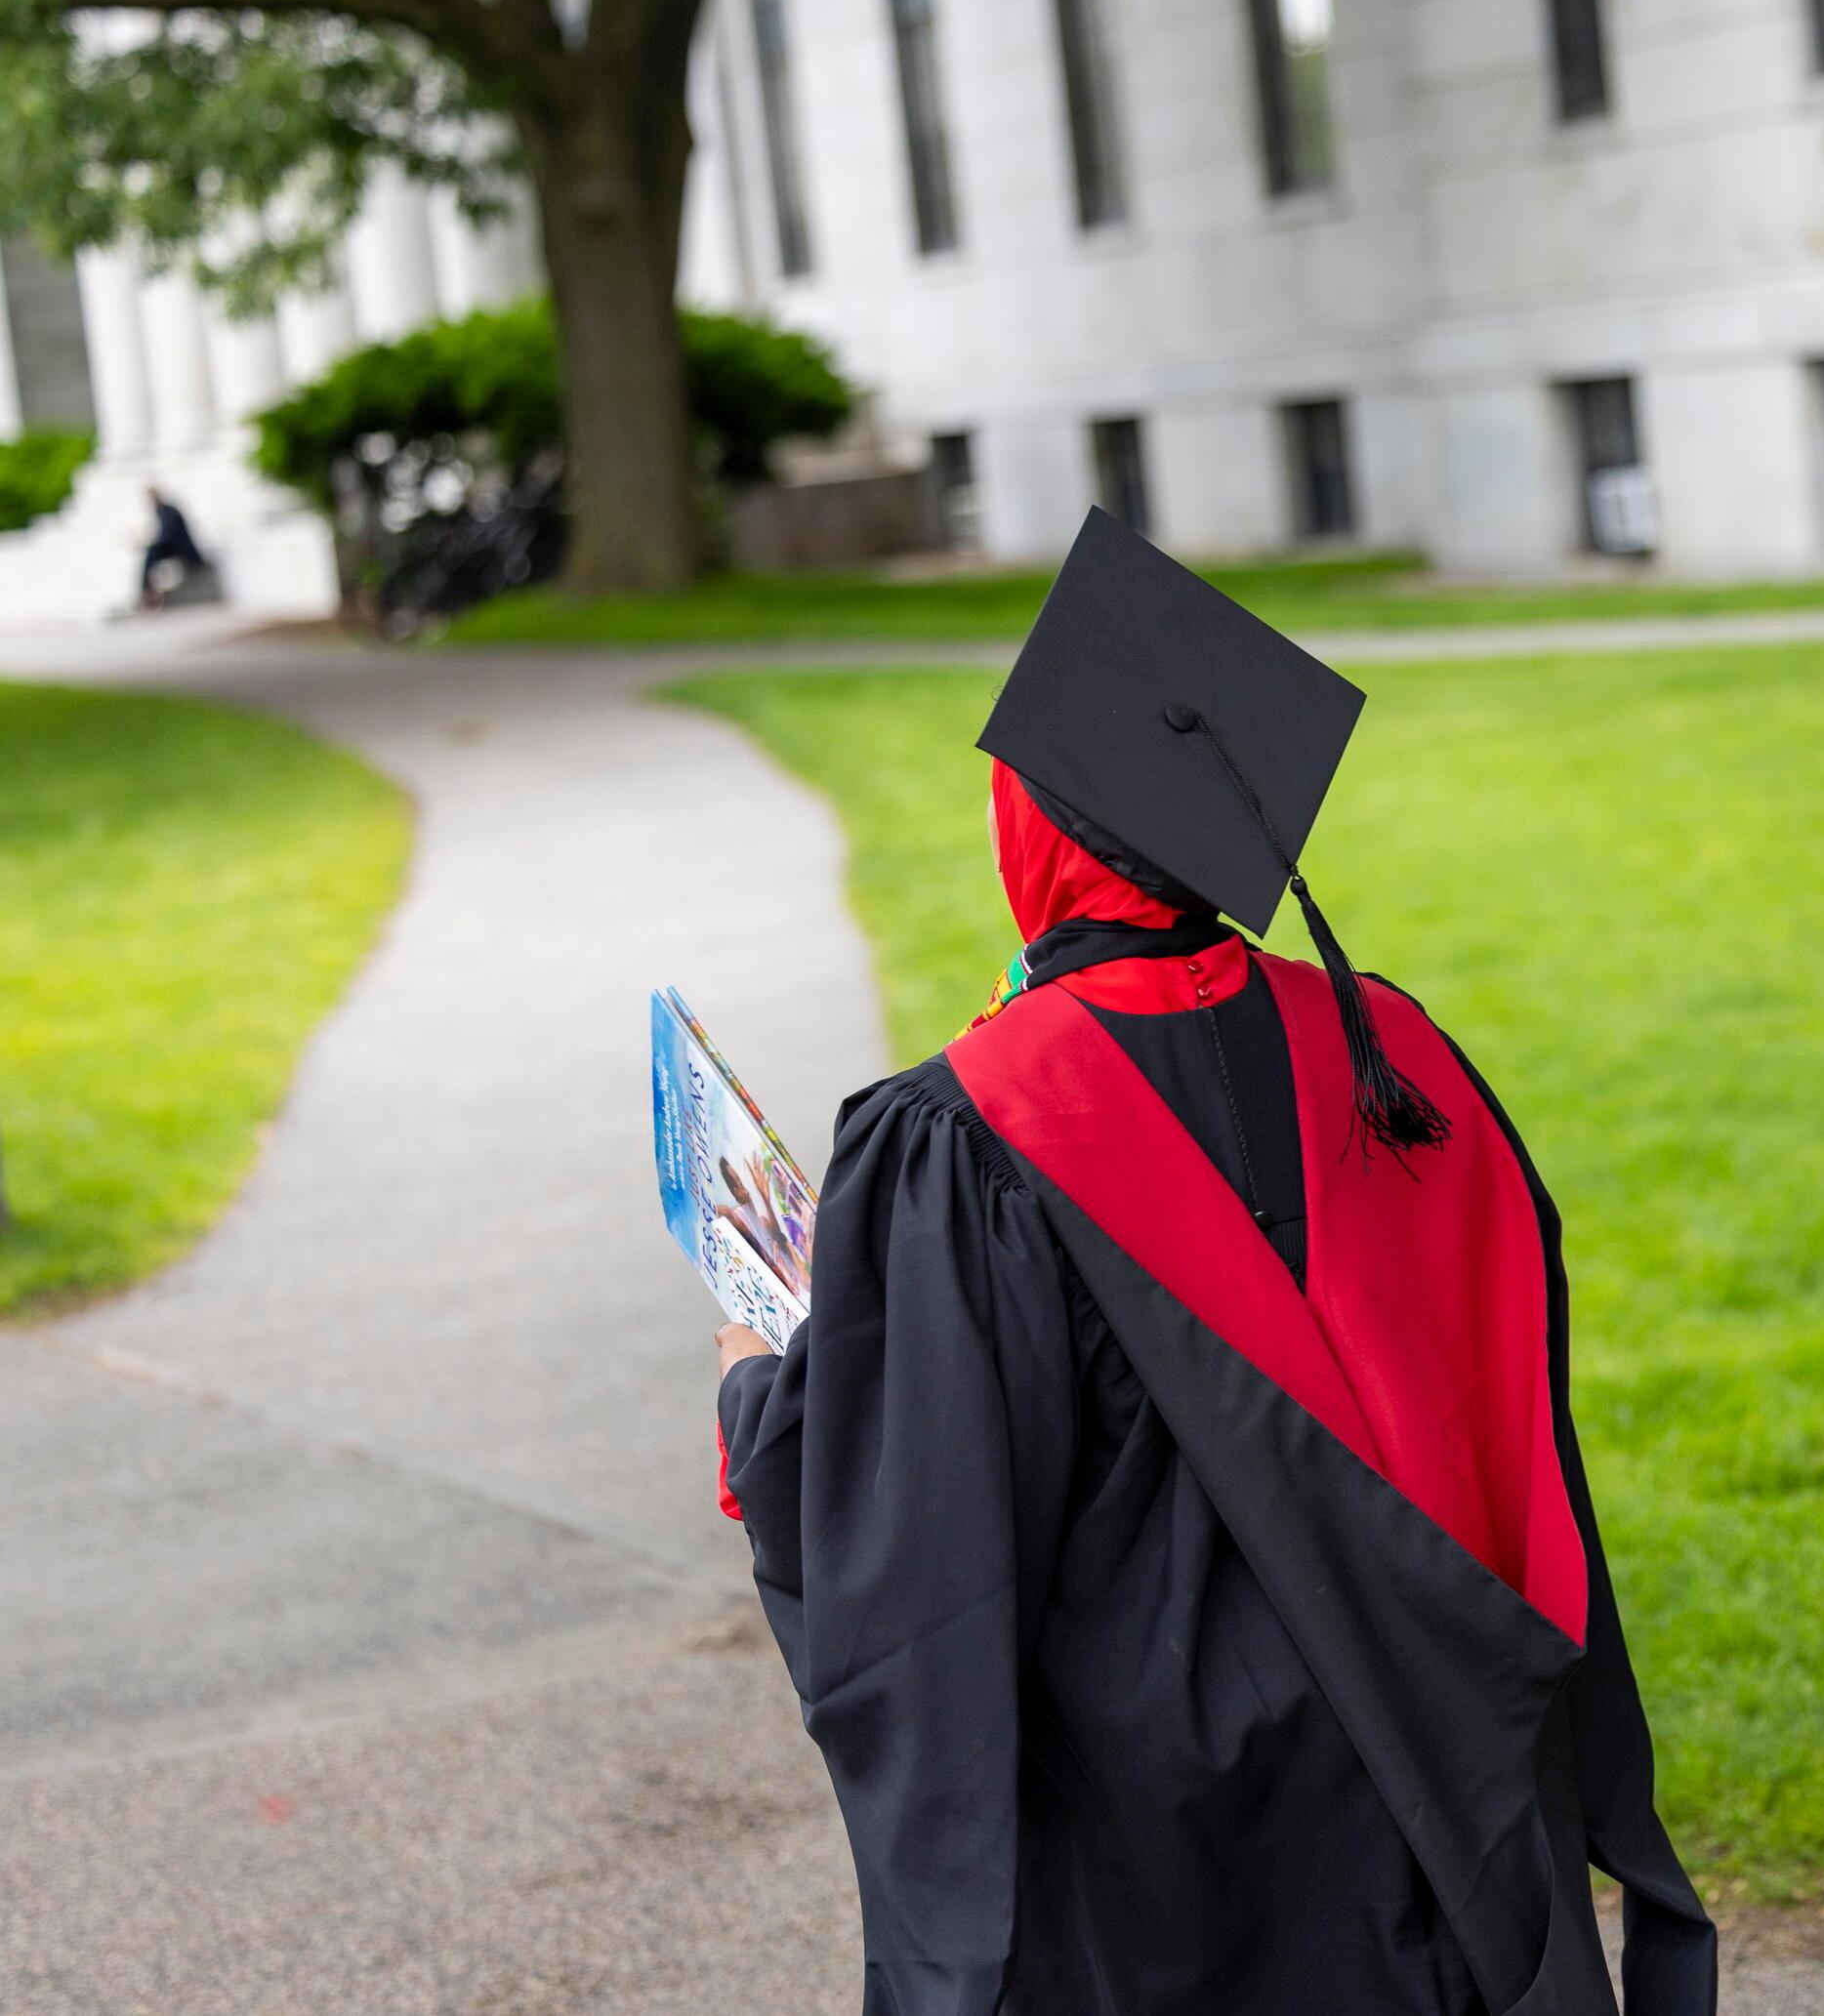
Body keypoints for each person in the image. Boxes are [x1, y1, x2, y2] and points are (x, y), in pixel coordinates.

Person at [715, 510, 1716, 2016]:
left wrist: (757, 1387)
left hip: (1152, 1840)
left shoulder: (962, 1135)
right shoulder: (1391, 1049)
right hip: (1428, 1757)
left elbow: (898, 1542)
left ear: (1031, 837)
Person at [139, 486, 210, 609]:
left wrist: (151, 544)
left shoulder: (167, 510)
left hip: (182, 549)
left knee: (151, 553)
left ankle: (147, 591)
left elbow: (168, 536)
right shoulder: (161, 511)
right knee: (150, 553)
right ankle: (147, 591)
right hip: (174, 547)